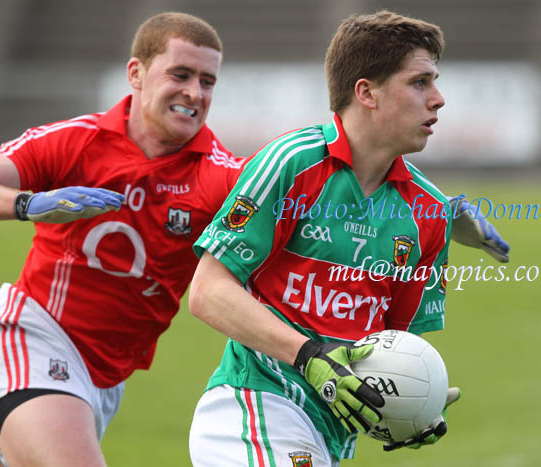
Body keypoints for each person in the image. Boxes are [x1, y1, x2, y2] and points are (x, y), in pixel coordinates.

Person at [188, 11, 471, 466]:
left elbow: (391, 345)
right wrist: (308, 357)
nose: (438, 99)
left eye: (435, 82)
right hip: (252, 410)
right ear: (367, 93)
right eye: (420, 82)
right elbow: (207, 292)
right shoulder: (292, 163)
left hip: (329, 435)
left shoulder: (431, 212)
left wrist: (415, 404)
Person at [0, 12, 244, 466]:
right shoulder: (76, 141)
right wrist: (29, 204)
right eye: (180, 75)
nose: (194, 93)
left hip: (102, 380)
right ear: (136, 74)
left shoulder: (220, 175)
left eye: (207, 81)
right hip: (33, 337)